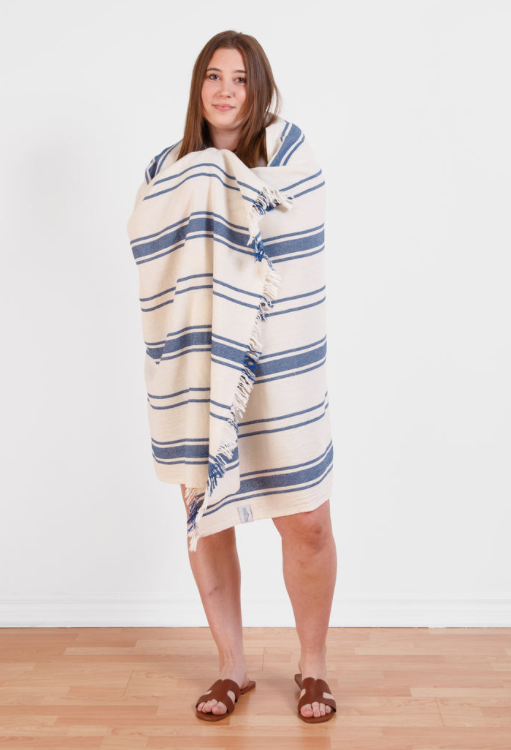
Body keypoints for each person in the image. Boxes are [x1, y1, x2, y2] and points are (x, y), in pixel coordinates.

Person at [171, 30, 339, 723]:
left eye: (239, 78)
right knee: (208, 518)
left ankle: (313, 665)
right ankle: (231, 667)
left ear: (258, 88)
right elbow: (157, 251)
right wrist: (209, 192)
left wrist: (217, 197)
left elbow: (294, 232)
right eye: (213, 76)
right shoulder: (170, 170)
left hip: (284, 367)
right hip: (202, 369)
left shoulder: (291, 155)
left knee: (307, 522)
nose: (225, 90)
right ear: (198, 86)